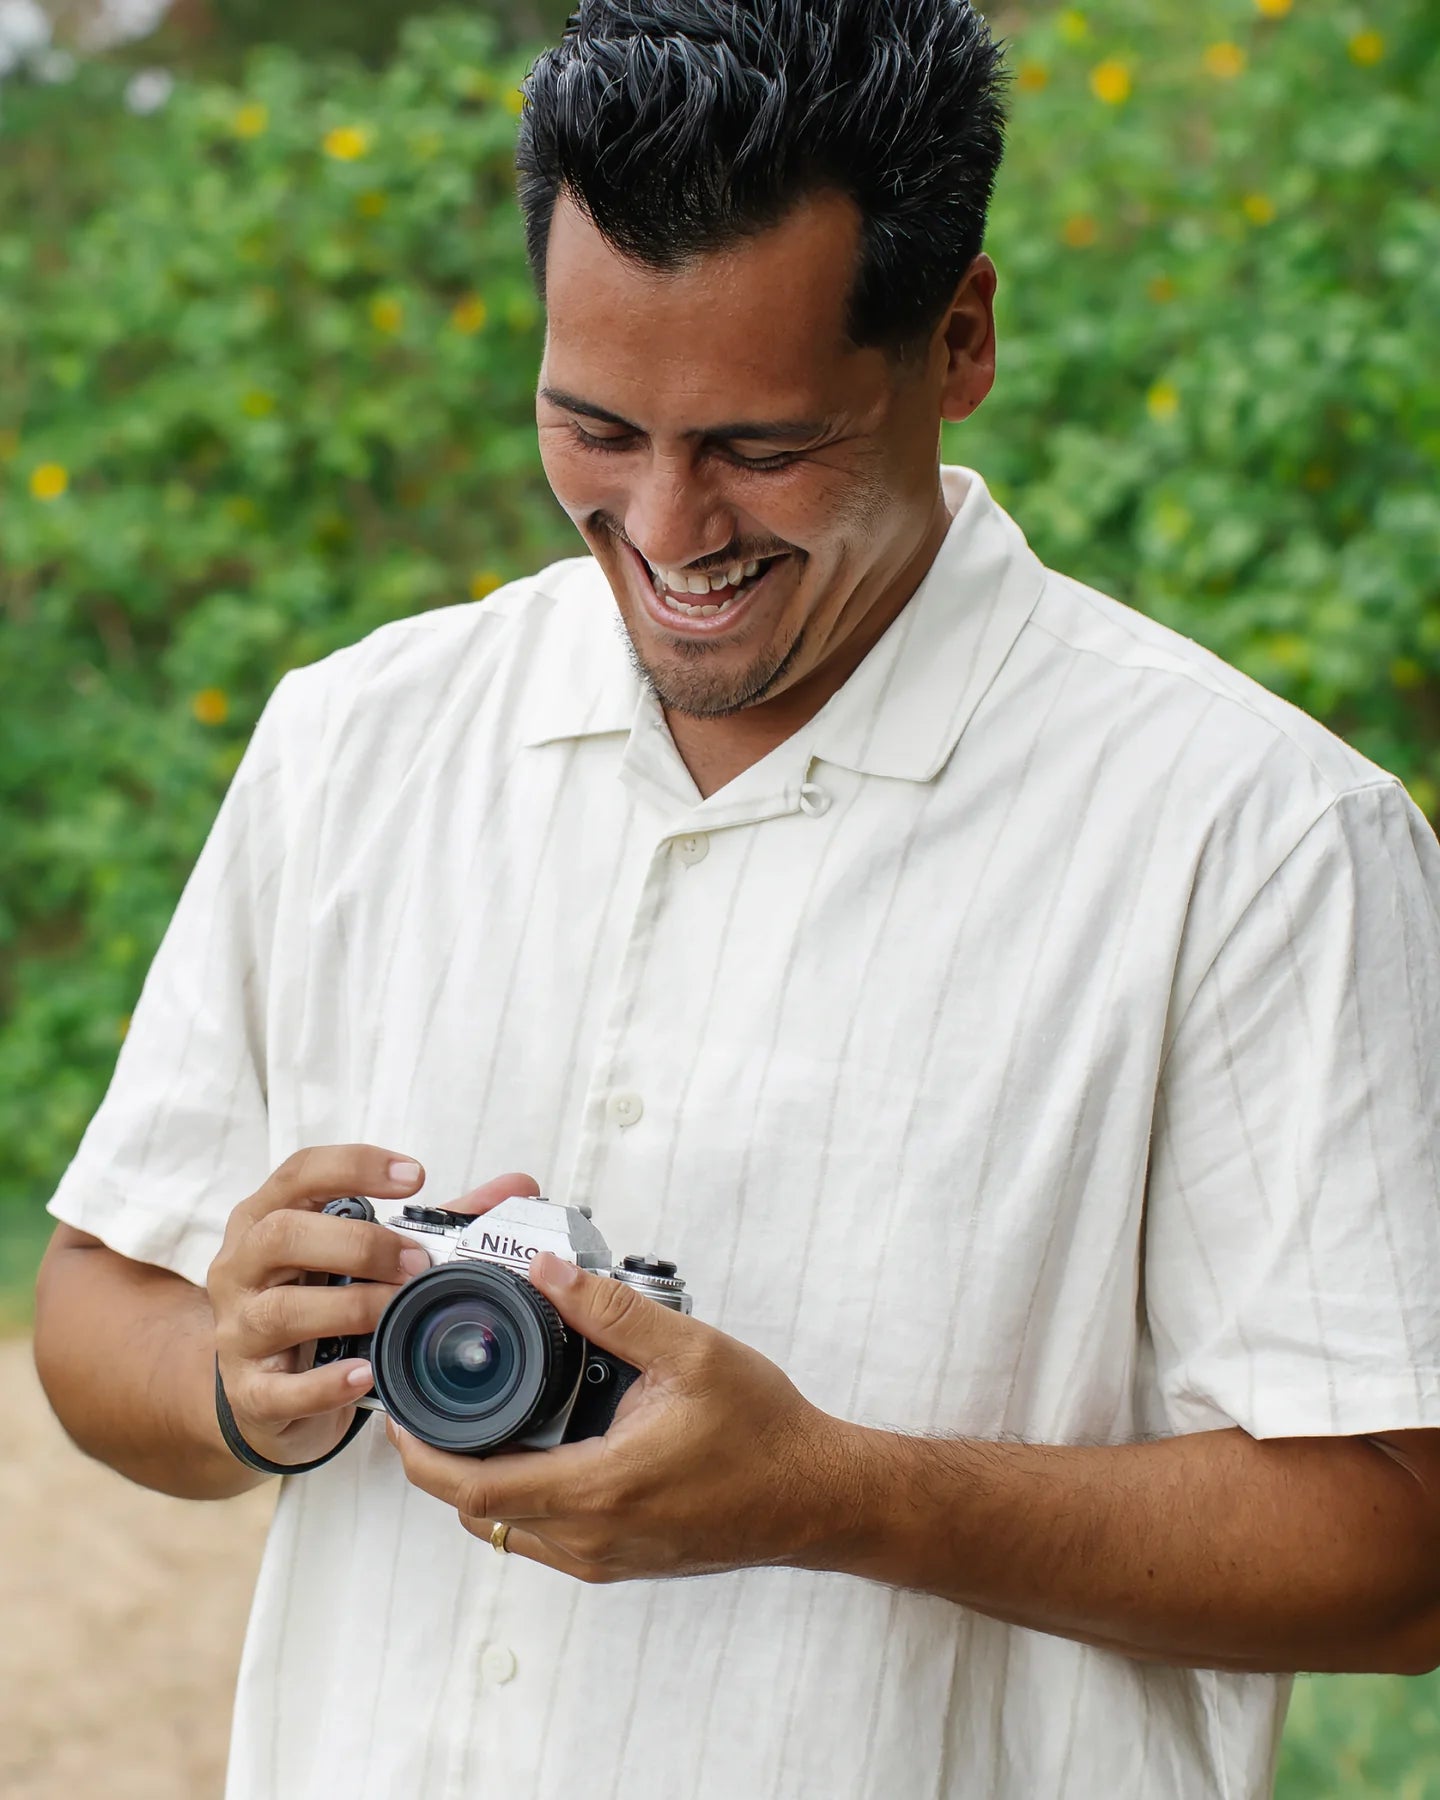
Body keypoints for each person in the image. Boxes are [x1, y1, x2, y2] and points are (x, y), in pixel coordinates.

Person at [32, 2, 1440, 1796]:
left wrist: (834, 1496)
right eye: (593, 426)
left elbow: (1402, 1546)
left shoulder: (1262, 839)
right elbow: (98, 1303)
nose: (667, 526)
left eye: (762, 447)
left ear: (960, 338)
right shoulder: (356, 739)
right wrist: (237, 1379)